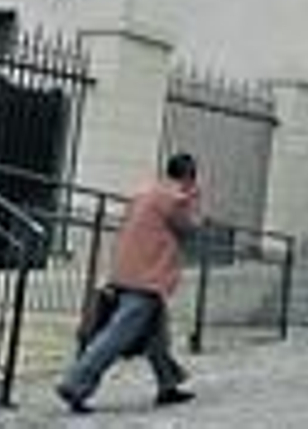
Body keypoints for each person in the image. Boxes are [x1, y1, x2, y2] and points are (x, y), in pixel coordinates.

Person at [57, 153, 202, 413]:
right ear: (189, 175)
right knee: (117, 335)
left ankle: (167, 385)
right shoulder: (176, 198)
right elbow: (190, 228)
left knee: (157, 335)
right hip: (146, 277)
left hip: (127, 272)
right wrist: (194, 197)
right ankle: (75, 383)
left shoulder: (147, 192)